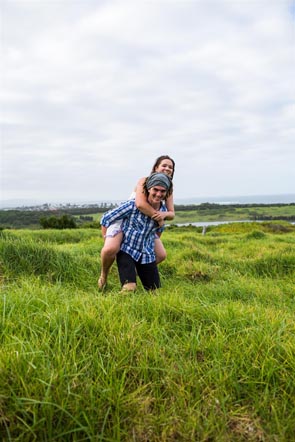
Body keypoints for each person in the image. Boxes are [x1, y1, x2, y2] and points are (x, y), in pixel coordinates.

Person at [98, 155, 175, 289]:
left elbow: (171, 213)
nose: (167, 168)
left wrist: (162, 217)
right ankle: (104, 275)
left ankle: (134, 273)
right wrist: (158, 217)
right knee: (110, 248)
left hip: (148, 223)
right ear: (156, 167)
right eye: (164, 165)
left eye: (170, 167)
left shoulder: (168, 189)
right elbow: (140, 204)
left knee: (161, 255)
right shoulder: (144, 181)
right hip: (127, 217)